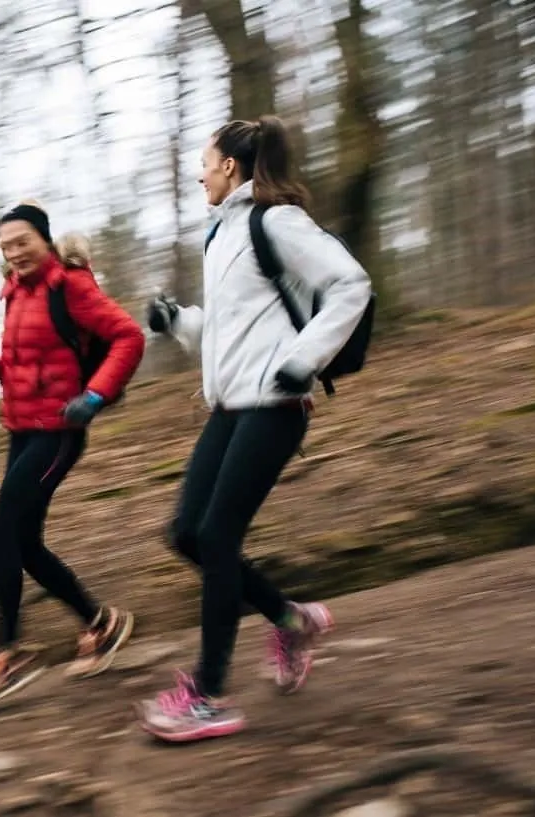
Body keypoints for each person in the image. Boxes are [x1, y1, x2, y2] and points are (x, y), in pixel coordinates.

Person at [136, 116, 372, 742]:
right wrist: (179, 322)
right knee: (187, 532)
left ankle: (208, 694)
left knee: (216, 536)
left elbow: (351, 283)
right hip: (231, 406)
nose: (198, 173)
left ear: (231, 167)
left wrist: (303, 362)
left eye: (205, 163)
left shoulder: (277, 222)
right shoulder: (223, 234)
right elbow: (232, 327)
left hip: (276, 405)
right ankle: (291, 621)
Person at [0, 200, 146, 710]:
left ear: (44, 239)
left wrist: (96, 395)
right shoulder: (14, 292)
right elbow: (30, 358)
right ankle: (101, 624)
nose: (15, 253)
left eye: (23, 242)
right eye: (6, 246)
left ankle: (7, 654)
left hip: (59, 430)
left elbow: (127, 336)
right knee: (25, 543)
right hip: (22, 428)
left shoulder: (71, 286)